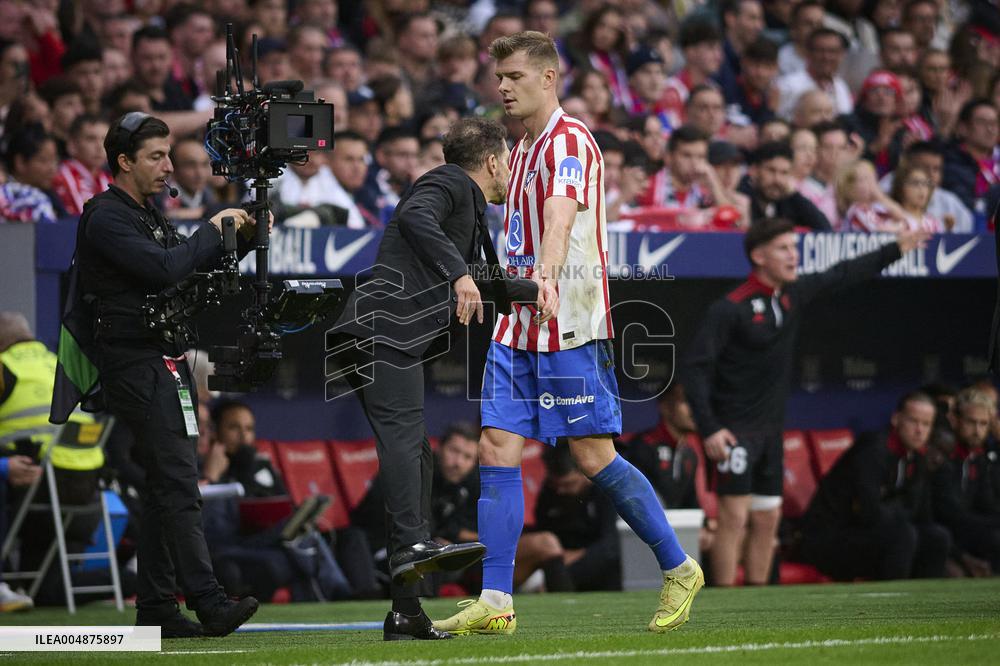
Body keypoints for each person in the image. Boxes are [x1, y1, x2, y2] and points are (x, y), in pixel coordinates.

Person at [433, 31, 703, 638]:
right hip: (516, 323)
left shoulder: (570, 139)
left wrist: (547, 277)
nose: (501, 87)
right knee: (495, 448)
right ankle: (496, 599)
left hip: (568, 322)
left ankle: (679, 566)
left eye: (514, 77)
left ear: (548, 79)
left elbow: (560, 214)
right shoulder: (520, 147)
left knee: (591, 456)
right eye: (498, 77)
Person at [49, 112, 262, 638]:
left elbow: (188, 275)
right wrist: (215, 227)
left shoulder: (144, 213)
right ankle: (208, 601)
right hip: (134, 360)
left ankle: (159, 609)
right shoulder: (106, 216)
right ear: (123, 162)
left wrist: (244, 239)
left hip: (161, 356)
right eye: (156, 156)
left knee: (169, 485)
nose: (169, 166)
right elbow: (167, 268)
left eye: (168, 155)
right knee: (175, 482)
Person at [328, 117, 538, 641]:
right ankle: (415, 544)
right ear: (492, 162)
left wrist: (538, 292)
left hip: (380, 337)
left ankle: (406, 613)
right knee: (405, 444)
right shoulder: (445, 182)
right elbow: (417, 218)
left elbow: (485, 280)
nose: (509, 169)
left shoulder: (466, 204)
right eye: (507, 159)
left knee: (416, 454)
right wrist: (461, 276)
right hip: (380, 333)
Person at [681, 219, 929, 586]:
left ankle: (754, 598)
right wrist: (711, 427)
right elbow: (695, 369)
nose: (793, 256)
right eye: (784, 248)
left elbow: (842, 273)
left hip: (771, 432)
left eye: (794, 248)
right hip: (735, 432)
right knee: (734, 518)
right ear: (758, 256)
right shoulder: (729, 309)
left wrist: (895, 249)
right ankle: (722, 601)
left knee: (768, 519)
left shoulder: (791, 295)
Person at [799, 391, 952, 580]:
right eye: (913, 421)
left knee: (937, 536)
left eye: (926, 424)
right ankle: (894, 601)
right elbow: (868, 511)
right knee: (903, 534)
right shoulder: (873, 450)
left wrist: (895, 509)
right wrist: (899, 508)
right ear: (896, 419)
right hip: (828, 538)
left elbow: (919, 511)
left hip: (870, 532)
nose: (919, 430)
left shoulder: (918, 457)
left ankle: (928, 602)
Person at [533, 442, 622, 591]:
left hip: (598, 566)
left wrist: (577, 556)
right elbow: (542, 531)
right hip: (557, 563)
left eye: (568, 484)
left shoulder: (606, 491)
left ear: (585, 474)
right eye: (557, 485)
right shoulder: (550, 493)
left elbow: (611, 545)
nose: (561, 490)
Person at [622, 383, 702, 510]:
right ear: (665, 407)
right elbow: (639, 500)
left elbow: (691, 505)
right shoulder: (643, 446)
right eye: (685, 402)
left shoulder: (690, 454)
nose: (693, 410)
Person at [739, 141, 832, 230]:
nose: (777, 179)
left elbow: (824, 229)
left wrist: (794, 194)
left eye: (784, 173)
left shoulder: (787, 200)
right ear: (754, 170)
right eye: (771, 170)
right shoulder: (741, 197)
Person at [52, 114, 112, 216]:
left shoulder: (111, 181)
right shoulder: (58, 178)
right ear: (72, 145)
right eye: (91, 139)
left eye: (104, 139)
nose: (100, 146)